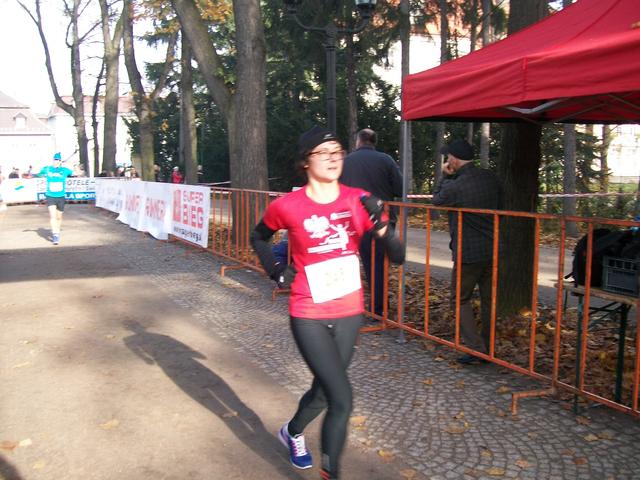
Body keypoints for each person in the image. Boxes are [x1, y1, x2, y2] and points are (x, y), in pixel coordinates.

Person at [250, 125, 405, 480]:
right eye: (324, 152)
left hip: (349, 309)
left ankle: (291, 431)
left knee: (324, 392)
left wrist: (383, 228)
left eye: (338, 151)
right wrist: (275, 270)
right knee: (342, 398)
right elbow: (258, 236)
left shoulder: (358, 199)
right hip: (309, 311)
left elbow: (397, 256)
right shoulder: (287, 206)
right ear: (306, 161)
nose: (334, 158)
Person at [432, 139, 502, 364]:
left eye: (448, 157)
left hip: (469, 252)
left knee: (459, 299)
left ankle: (476, 349)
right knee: (489, 300)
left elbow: (437, 200)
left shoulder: (456, 186)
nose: (447, 160)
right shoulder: (490, 178)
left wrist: (445, 176)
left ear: (453, 159)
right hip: (494, 249)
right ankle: (489, 348)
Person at [340, 128, 403, 317]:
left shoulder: (347, 162)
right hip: (383, 218)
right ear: (374, 141)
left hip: (356, 219)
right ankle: (379, 307)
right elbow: (400, 188)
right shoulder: (386, 160)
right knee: (381, 263)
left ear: (358, 141)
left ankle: (369, 305)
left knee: (366, 261)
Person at [37, 152, 74, 245]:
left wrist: (79, 170)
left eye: (57, 160)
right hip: (50, 196)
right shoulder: (47, 169)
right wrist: (32, 175)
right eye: (54, 160)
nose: (56, 162)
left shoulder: (65, 170)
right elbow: (39, 174)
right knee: (52, 216)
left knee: (59, 217)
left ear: (60, 161)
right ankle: (55, 234)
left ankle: (57, 231)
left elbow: (75, 173)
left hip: (61, 197)